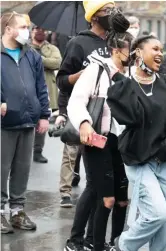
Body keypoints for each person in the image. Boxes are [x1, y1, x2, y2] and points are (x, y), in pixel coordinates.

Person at [106, 35, 166, 251]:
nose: (160, 53)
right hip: (138, 161)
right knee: (157, 213)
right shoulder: (124, 85)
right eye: (154, 49)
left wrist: (164, 151)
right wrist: (123, 81)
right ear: (138, 52)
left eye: (161, 50)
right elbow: (131, 118)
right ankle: (124, 245)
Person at [66, 12, 132, 251]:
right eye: (128, 50)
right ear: (116, 49)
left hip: (121, 143)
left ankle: (113, 243)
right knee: (104, 196)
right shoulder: (96, 70)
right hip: (96, 140)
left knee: (121, 199)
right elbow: (76, 102)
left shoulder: (130, 74)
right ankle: (88, 243)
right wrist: (84, 123)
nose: (131, 55)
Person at [59, 0, 116, 249]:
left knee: (105, 186)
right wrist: (86, 75)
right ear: (94, 16)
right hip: (89, 120)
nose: (112, 14)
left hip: (113, 124)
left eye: (114, 9)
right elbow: (62, 80)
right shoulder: (78, 43)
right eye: (107, 11)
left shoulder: (115, 42)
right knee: (95, 184)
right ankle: (76, 240)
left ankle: (94, 238)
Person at [1, 12, 50, 234]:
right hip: (4, 122)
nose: (26, 31)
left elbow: (41, 86)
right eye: (21, 27)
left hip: (28, 120)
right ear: (8, 29)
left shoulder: (32, 56)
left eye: (26, 27)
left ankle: (17, 211)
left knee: (22, 169)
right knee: (1, 170)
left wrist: (44, 115)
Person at [30, 25, 62, 163]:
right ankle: (23, 150)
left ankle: (38, 151)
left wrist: (37, 59)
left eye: (43, 29)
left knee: (42, 121)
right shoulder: (24, 47)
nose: (40, 32)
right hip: (28, 88)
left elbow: (57, 62)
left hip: (45, 89)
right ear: (32, 32)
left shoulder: (52, 48)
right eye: (37, 29)